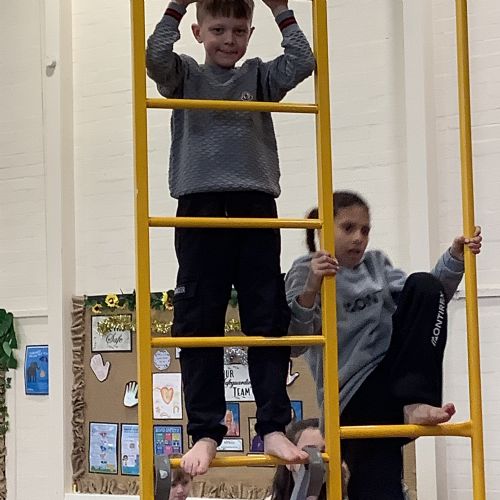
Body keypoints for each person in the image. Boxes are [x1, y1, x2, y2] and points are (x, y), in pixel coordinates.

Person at [146, 0, 315, 476]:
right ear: (198, 32)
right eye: (218, 29)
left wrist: (281, 10)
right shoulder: (184, 74)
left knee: (266, 315)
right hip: (199, 206)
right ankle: (205, 430)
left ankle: (274, 426)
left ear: (250, 33)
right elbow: (154, 58)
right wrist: (176, 7)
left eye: (239, 31)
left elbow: (302, 62)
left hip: (254, 204)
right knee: (199, 321)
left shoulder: (258, 76)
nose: (229, 40)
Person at [284, 191, 482, 500]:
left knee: (424, 284)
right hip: (351, 398)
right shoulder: (305, 269)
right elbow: (295, 343)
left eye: (365, 230)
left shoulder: (376, 264)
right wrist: (312, 286)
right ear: (322, 230)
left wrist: (455, 258)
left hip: (393, 385)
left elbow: (427, 300)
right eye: (348, 228)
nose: (359, 238)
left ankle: (417, 403)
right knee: (378, 484)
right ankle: (408, 408)